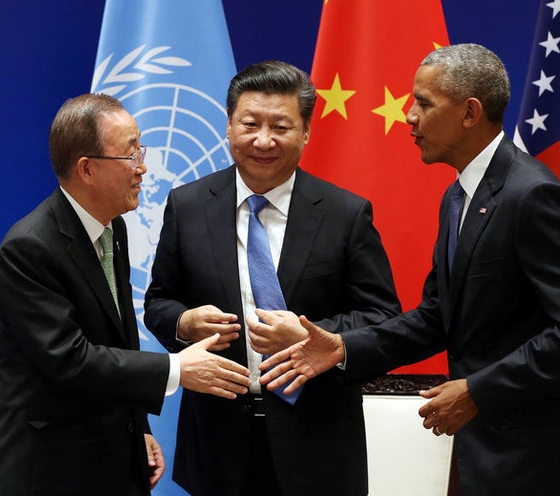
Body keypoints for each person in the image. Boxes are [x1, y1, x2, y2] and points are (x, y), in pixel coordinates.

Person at [257, 44, 560, 496]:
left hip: (543, 452)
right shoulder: (459, 196)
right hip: (486, 449)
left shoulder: (532, 195)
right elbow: (437, 317)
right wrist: (343, 347)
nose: (408, 115)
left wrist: (478, 391)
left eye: (423, 103)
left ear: (470, 113)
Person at [143, 60, 401, 496]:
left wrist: (312, 336)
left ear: (305, 133)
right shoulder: (187, 206)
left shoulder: (345, 214)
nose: (263, 140)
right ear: (228, 126)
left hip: (318, 443)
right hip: (217, 442)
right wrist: (183, 323)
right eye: (250, 124)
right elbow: (159, 302)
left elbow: (382, 317)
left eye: (280, 126)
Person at [0, 93, 251, 496]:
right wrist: (177, 370)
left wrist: (137, 428)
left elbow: (117, 339)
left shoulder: (114, 229)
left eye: (140, 149)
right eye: (130, 155)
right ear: (87, 169)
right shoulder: (29, 248)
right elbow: (69, 359)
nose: (143, 167)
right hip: (50, 472)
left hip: (113, 462)